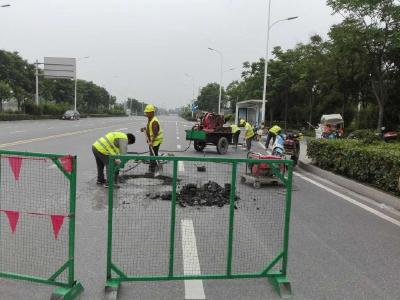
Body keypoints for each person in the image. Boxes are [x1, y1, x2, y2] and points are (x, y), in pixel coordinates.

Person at [142, 104, 163, 173]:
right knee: (154, 154)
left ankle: (151, 169)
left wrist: (151, 141)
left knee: (152, 155)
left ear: (151, 112)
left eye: (147, 113)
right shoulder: (150, 119)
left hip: (155, 141)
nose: (146, 114)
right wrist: (144, 129)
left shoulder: (154, 121)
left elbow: (155, 133)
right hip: (153, 141)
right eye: (146, 112)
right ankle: (156, 167)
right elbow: (149, 129)